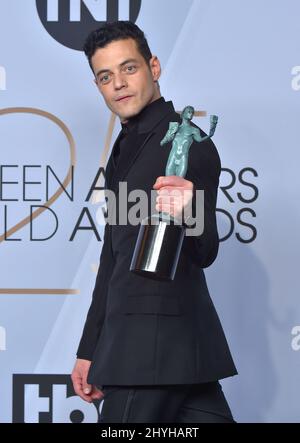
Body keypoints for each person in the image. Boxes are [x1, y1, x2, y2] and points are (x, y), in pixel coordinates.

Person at [71, 21, 237, 423]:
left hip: (146, 355)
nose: (118, 84)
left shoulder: (189, 142)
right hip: (174, 352)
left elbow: (205, 250)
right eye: (105, 76)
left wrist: (190, 209)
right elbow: (113, 257)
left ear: (154, 67)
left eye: (129, 68)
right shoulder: (123, 148)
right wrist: (90, 347)